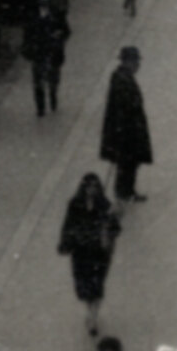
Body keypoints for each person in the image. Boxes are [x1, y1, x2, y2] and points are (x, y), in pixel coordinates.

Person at [57, 173, 122, 336]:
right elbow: (68, 225)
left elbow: (115, 228)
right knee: (84, 285)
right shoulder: (75, 204)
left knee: (97, 285)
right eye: (89, 186)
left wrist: (113, 217)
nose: (92, 189)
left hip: (98, 253)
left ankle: (92, 318)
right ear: (84, 187)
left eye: (95, 186)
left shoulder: (105, 205)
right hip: (81, 252)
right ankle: (90, 311)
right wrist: (66, 242)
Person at [100, 47, 153, 205]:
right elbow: (123, 107)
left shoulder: (123, 77)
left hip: (128, 128)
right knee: (127, 162)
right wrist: (123, 129)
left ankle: (127, 191)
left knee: (131, 162)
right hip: (126, 130)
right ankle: (123, 192)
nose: (138, 65)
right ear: (128, 62)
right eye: (136, 62)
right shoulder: (121, 80)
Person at [26, 0, 69, 119]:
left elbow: (66, 31)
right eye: (42, 2)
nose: (44, 5)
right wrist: (30, 47)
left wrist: (59, 36)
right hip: (39, 53)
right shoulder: (33, 17)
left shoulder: (57, 16)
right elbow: (27, 34)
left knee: (53, 79)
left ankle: (52, 95)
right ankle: (40, 107)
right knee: (38, 81)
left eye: (46, 2)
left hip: (53, 52)